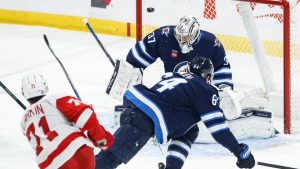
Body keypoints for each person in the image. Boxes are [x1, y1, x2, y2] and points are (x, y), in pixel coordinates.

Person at [106, 15, 275, 140]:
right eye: (179, 36)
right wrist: (131, 70)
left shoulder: (210, 43)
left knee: (223, 102)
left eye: (186, 37)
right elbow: (141, 51)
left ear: (195, 33)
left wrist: (223, 88)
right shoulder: (165, 36)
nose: (181, 40)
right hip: (173, 91)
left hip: (200, 92)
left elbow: (222, 66)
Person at [96, 56, 255, 169]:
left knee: (190, 130)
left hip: (136, 112)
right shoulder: (205, 89)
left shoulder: (175, 75)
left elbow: (182, 128)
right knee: (110, 159)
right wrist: (240, 151)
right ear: (207, 76)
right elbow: (218, 129)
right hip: (143, 120)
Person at [20, 73, 114, 169]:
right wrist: (101, 139)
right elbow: (86, 116)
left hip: (50, 165)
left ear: (24, 94)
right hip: (76, 153)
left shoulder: (23, 121)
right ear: (45, 87)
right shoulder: (54, 99)